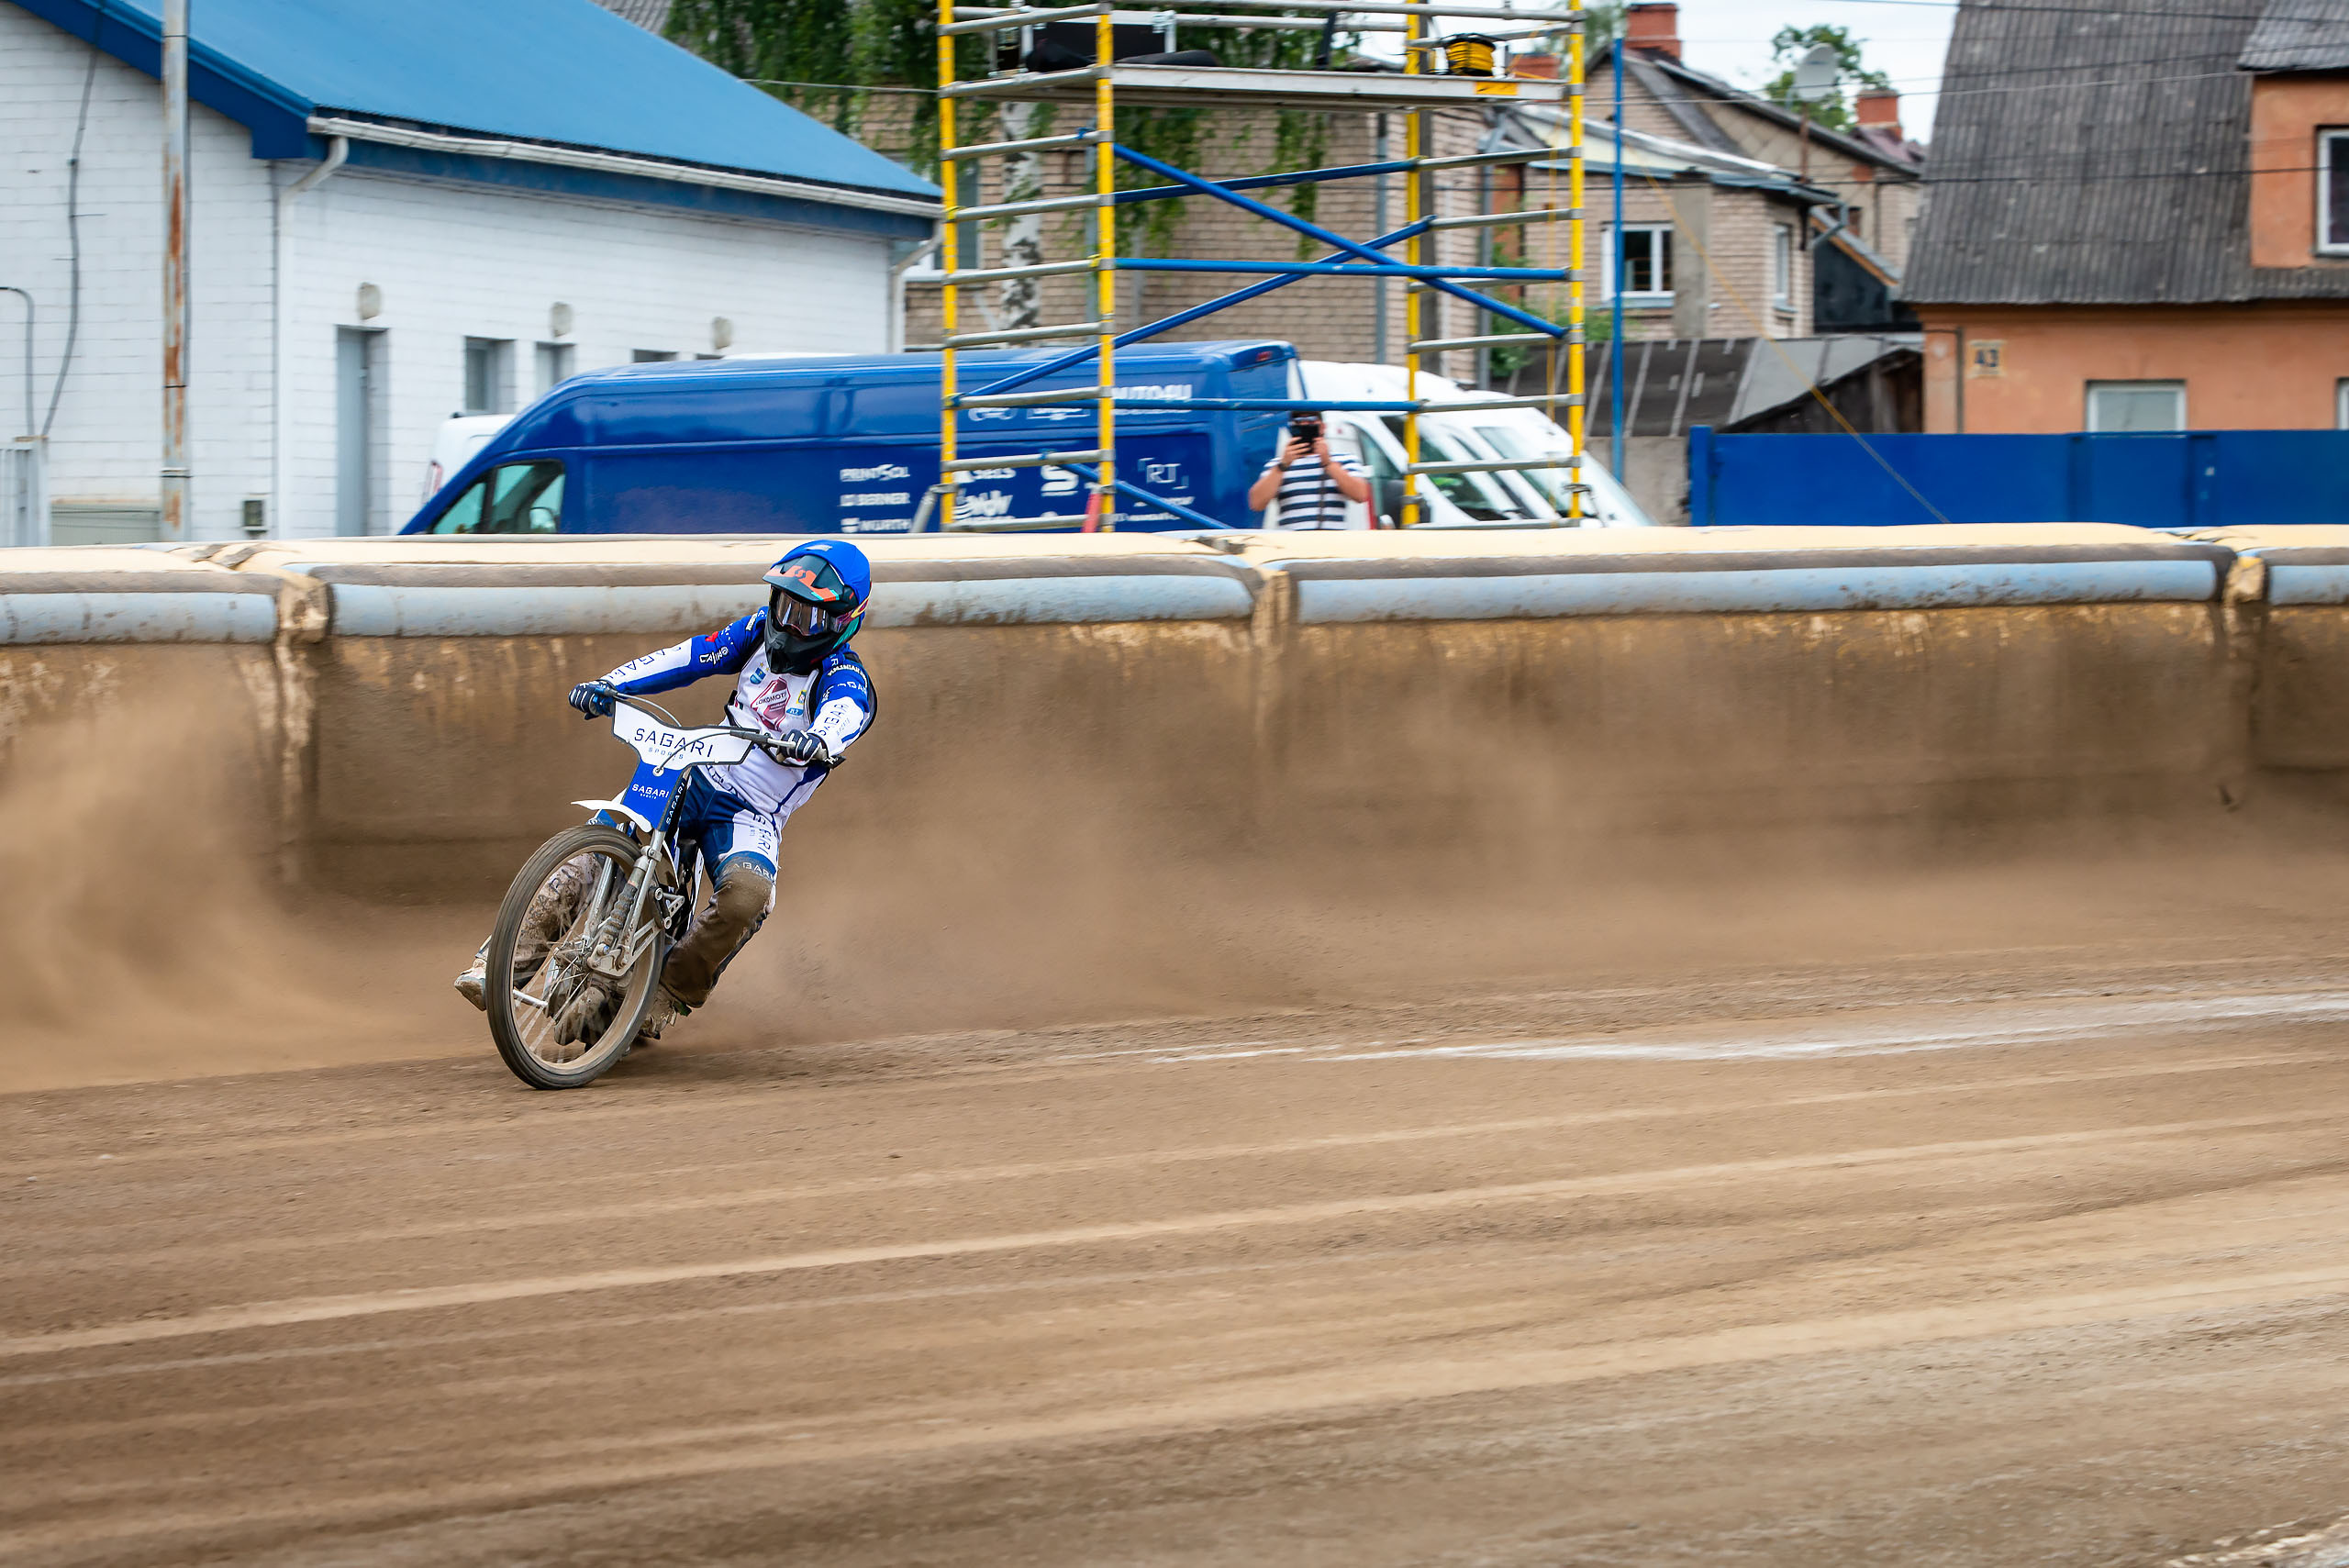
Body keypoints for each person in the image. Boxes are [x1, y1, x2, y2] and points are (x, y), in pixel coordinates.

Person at [454, 539, 876, 1042]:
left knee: (748, 897)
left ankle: (666, 994)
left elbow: (845, 713)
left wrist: (820, 740)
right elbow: (690, 656)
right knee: (599, 843)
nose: (788, 625)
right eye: (784, 606)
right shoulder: (756, 632)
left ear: (843, 621)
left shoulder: (845, 675)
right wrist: (610, 684)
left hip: (752, 812)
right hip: (694, 768)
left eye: (806, 617)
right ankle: (501, 964)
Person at [1247, 412, 1374, 528]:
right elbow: (1256, 503)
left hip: (1332, 542)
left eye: (1311, 421)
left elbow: (1361, 495)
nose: (1305, 425)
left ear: (1323, 427)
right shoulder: (1277, 465)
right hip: (1291, 542)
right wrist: (1282, 466)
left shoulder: (1345, 460)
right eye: (1298, 422)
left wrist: (1328, 463)